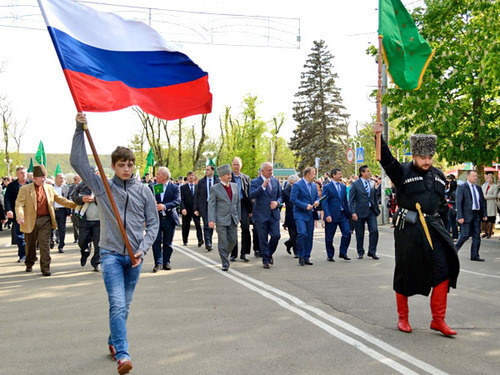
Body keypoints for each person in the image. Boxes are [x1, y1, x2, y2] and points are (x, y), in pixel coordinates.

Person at [71, 113, 158, 374]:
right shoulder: (102, 187)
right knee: (118, 305)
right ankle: (123, 355)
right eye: (121, 165)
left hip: (135, 258)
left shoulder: (144, 191)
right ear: (113, 166)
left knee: (125, 306)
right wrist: (79, 128)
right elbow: (77, 161)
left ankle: (113, 341)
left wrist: (142, 249)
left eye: (130, 164)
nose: (126, 169)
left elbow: (152, 224)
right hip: (110, 255)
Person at [377, 130, 460, 336]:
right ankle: (403, 318)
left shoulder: (440, 176)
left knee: (443, 270)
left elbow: (443, 206)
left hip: (433, 229)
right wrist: (378, 136)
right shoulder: (401, 172)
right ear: (414, 155)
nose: (427, 161)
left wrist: (448, 229)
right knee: (405, 272)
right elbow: (385, 158)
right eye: (423, 157)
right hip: (409, 229)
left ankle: (438, 320)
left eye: (430, 157)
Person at [15, 165, 76, 276]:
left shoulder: (49, 188)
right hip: (30, 221)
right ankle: (29, 263)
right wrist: (20, 216)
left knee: (45, 244)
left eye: (44, 177)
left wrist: (75, 205)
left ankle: (45, 267)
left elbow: (60, 199)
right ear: (34, 178)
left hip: (45, 220)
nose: (43, 179)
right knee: (30, 245)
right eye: (41, 177)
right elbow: (19, 204)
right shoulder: (25, 189)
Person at [208, 164, 241, 271]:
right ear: (221, 176)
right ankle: (225, 262)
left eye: (230, 174)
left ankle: (224, 254)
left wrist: (239, 216)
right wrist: (211, 220)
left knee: (233, 240)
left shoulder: (234, 186)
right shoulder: (214, 188)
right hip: (221, 219)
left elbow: (237, 203)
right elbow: (211, 204)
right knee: (223, 241)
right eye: (227, 174)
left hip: (233, 218)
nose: (229, 176)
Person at [249, 162, 282, 269]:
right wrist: (262, 187)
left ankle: (268, 253)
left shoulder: (275, 181)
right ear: (262, 171)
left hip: (273, 214)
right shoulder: (255, 182)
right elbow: (251, 195)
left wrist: (277, 203)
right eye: (269, 170)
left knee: (276, 235)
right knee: (262, 239)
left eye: (272, 170)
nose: (271, 172)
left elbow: (280, 196)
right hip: (260, 214)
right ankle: (266, 260)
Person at [150, 167, 180, 272]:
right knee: (156, 241)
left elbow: (177, 201)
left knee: (168, 242)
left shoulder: (174, 187)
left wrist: (165, 206)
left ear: (165, 177)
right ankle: (158, 263)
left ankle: (166, 262)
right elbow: (149, 200)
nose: (156, 176)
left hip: (169, 218)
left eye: (158, 174)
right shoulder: (155, 187)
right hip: (157, 219)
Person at [349, 165, 380, 260]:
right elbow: (351, 200)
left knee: (374, 231)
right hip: (359, 212)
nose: (369, 173)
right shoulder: (355, 184)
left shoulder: (371, 183)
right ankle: (360, 251)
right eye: (367, 171)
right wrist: (353, 212)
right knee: (360, 233)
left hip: (371, 211)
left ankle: (372, 251)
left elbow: (374, 197)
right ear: (362, 173)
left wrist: (376, 210)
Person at [72, 172, 101, 272]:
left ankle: (96, 262)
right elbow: (73, 197)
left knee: (99, 244)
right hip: (84, 221)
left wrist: (95, 199)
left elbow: (108, 199)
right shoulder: (81, 185)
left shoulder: (102, 185)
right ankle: (85, 252)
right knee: (82, 241)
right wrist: (82, 199)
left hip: (99, 221)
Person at [455, 170, 487, 261]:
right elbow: (459, 203)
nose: (475, 178)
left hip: (476, 214)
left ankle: (475, 255)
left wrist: (484, 214)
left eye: (476, 176)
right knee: (464, 235)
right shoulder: (462, 187)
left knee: (477, 236)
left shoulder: (478, 188)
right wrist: (460, 216)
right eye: (473, 176)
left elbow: (482, 202)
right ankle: (453, 251)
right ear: (468, 177)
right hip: (466, 215)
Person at [290, 166, 319, 266]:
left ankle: (307, 256)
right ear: (308, 174)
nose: (315, 175)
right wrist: (305, 205)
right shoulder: (297, 185)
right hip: (300, 213)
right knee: (302, 233)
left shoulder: (314, 185)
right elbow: (293, 199)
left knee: (309, 236)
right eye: (313, 173)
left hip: (310, 214)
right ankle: (301, 255)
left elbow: (317, 197)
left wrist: (317, 201)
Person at [322, 168, 351, 262]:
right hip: (331, 215)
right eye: (339, 174)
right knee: (329, 237)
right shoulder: (327, 187)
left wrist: (349, 213)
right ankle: (330, 254)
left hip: (342, 214)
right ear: (333, 175)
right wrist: (327, 215)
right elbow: (324, 202)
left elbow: (345, 201)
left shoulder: (343, 186)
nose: (341, 175)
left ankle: (343, 252)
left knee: (347, 233)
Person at [5, 166, 30, 262]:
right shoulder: (12, 186)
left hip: (30, 214)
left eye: (24, 173)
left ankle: (30, 255)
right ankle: (22, 255)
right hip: (17, 214)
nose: (23, 175)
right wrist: (8, 210)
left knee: (30, 236)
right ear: (17, 175)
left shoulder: (31, 184)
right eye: (21, 173)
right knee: (20, 236)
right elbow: (7, 198)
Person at [229, 157, 252, 262]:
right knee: (233, 229)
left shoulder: (246, 178)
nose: (236, 167)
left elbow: (249, 194)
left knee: (246, 228)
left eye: (238, 164)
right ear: (231, 166)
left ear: (241, 165)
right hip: (232, 204)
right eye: (234, 164)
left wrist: (250, 210)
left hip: (243, 204)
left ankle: (244, 253)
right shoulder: (228, 177)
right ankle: (233, 253)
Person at [194, 165, 219, 251]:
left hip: (215, 205)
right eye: (205, 170)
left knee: (211, 224)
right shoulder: (201, 182)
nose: (206, 171)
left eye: (208, 170)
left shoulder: (217, 181)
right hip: (204, 205)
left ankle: (209, 240)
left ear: (213, 171)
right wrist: (196, 209)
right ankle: (208, 242)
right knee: (206, 224)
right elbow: (196, 195)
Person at [180, 171, 203, 247]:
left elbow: (200, 199)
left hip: (195, 210)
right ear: (187, 177)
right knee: (186, 226)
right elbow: (181, 199)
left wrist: (199, 209)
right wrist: (183, 208)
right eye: (189, 176)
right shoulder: (183, 188)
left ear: (194, 177)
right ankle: (185, 240)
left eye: (192, 175)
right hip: (186, 210)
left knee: (198, 225)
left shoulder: (197, 187)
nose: (191, 177)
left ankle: (200, 240)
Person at [52, 173, 71, 253]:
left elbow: (68, 199)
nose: (62, 179)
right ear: (56, 179)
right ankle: (51, 241)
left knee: (62, 229)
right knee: (51, 227)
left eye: (63, 178)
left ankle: (61, 245)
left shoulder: (66, 188)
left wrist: (70, 212)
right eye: (60, 178)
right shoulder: (51, 188)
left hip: (62, 210)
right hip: (52, 210)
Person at [282, 174, 300, 258]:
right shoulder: (285, 191)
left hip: (299, 215)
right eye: (292, 183)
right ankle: (296, 252)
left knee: (299, 234)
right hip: (290, 217)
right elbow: (281, 202)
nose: (293, 185)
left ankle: (288, 244)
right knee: (293, 235)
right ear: (289, 183)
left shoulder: (300, 190)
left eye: (295, 183)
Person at [481, 173, 498, 239]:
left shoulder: (495, 186)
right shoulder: (485, 186)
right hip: (484, 203)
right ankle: (485, 232)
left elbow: (495, 195)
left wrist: (486, 197)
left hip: (491, 203)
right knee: (485, 218)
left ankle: (490, 233)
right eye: (488, 178)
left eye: (491, 178)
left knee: (490, 218)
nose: (489, 180)